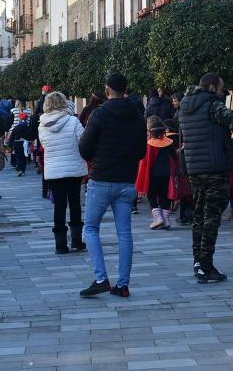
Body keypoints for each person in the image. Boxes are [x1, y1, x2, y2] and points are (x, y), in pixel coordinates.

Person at [78, 74, 147, 298]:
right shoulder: (138, 116)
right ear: (126, 89)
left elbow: (84, 148)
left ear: (107, 90)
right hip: (127, 180)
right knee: (124, 233)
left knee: (90, 229)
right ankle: (123, 284)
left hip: (101, 179)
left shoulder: (99, 114)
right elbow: (141, 152)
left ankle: (101, 279)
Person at [180, 72, 233, 283]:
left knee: (199, 217)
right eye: (221, 89)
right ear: (211, 88)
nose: (223, 93)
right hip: (215, 168)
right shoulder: (212, 105)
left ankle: (198, 262)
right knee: (211, 219)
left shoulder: (185, 105)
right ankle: (206, 266)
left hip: (194, 169)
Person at [38, 92, 88, 254]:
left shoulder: (42, 125)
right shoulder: (73, 121)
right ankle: (76, 240)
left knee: (59, 206)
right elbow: (83, 142)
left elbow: (45, 145)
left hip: (53, 170)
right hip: (73, 168)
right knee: (75, 203)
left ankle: (60, 245)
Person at [135, 123, 178, 230]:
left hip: (153, 175)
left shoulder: (149, 144)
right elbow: (174, 157)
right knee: (164, 195)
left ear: (152, 133)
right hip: (166, 174)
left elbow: (144, 162)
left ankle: (158, 218)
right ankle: (166, 219)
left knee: (152, 195)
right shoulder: (169, 143)